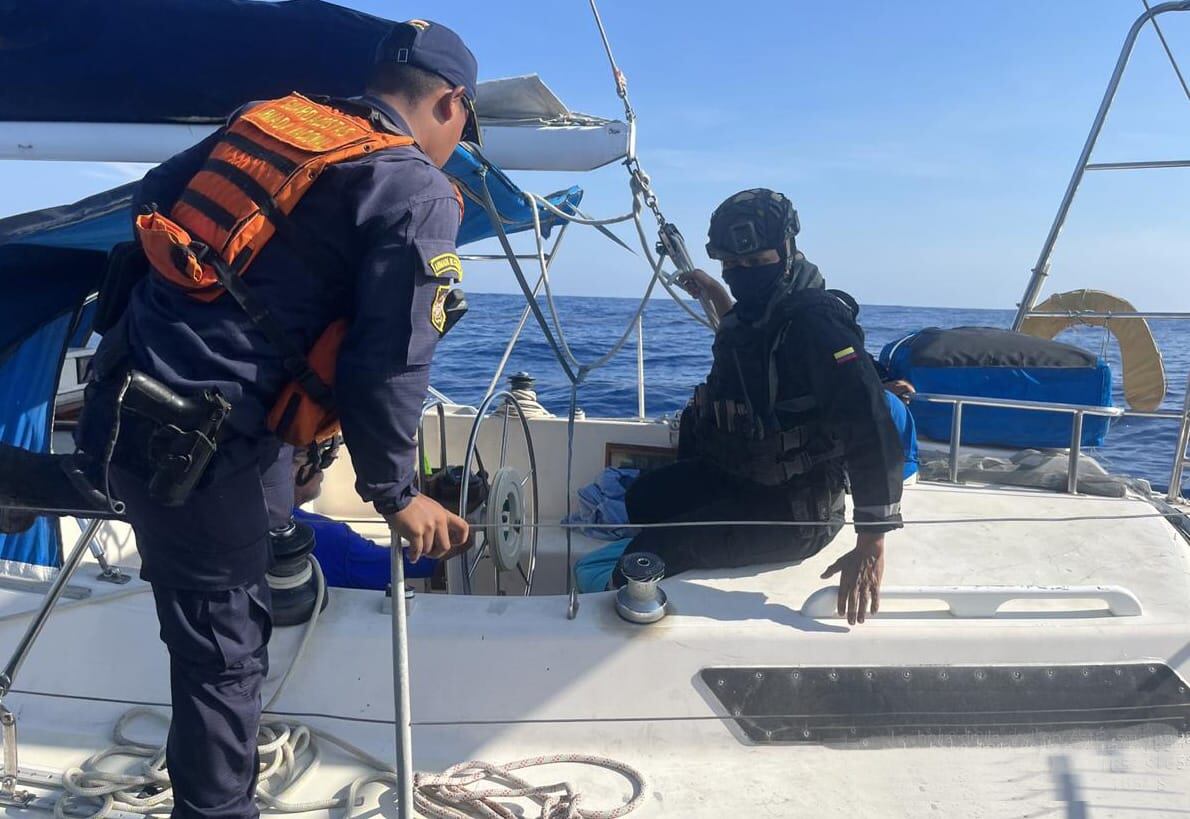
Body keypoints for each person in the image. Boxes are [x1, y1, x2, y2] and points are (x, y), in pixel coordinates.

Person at [74, 20, 476, 818]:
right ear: (451, 103)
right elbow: (389, 360)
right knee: (221, 660)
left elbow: (156, 197)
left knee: (247, 581)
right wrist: (397, 494)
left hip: (127, 395)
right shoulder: (416, 188)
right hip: (196, 447)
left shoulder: (269, 119)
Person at [618, 189, 905, 625]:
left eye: (754, 263)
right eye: (731, 266)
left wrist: (871, 541)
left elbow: (870, 421)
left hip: (797, 510)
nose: (742, 274)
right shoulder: (754, 313)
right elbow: (758, 344)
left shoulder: (817, 321)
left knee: (645, 556)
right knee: (642, 500)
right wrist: (715, 292)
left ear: (787, 250)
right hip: (740, 477)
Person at [289, 439, 442, 588]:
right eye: (321, 455)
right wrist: (460, 540)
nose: (325, 466)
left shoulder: (273, 519)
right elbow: (398, 565)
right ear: (294, 468)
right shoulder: (333, 541)